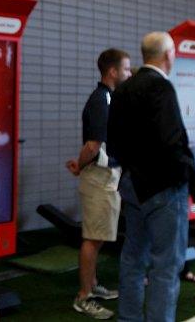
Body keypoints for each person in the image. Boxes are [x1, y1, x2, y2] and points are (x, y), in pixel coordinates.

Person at [108, 32, 195, 322]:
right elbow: (170, 140)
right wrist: (184, 175)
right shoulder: (161, 88)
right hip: (163, 188)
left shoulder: (123, 88)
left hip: (132, 185)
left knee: (133, 259)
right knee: (166, 265)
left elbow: (113, 142)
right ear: (169, 54)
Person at [65, 48, 132, 319]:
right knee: (93, 238)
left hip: (108, 177)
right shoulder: (100, 100)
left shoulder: (110, 99)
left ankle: (92, 284)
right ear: (113, 71)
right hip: (99, 178)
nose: (129, 74)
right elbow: (93, 145)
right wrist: (80, 165)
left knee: (100, 235)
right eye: (126, 69)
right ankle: (84, 296)